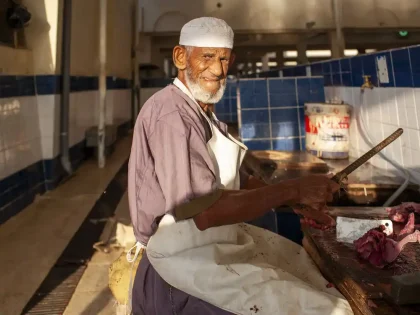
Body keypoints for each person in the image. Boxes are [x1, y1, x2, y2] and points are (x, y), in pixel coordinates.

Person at [128, 17, 353, 315]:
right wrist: (292, 189)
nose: (218, 70)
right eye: (207, 56)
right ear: (181, 57)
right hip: (181, 268)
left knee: (314, 286)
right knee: (326, 309)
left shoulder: (202, 113)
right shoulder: (172, 116)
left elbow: (237, 183)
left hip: (209, 251)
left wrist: (297, 202)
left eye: (223, 58)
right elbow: (203, 211)